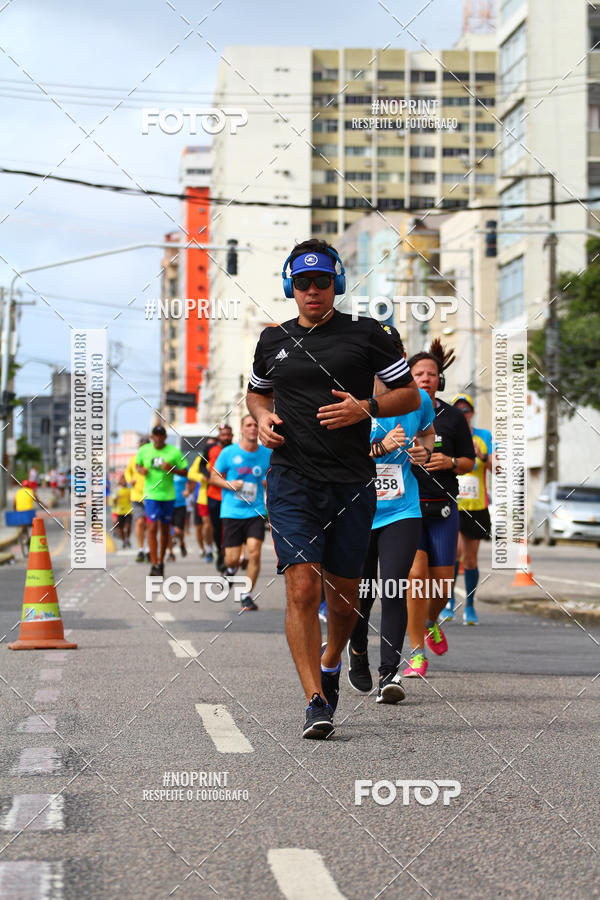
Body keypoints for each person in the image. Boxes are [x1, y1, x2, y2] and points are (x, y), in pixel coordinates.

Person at [247, 237, 419, 739]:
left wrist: (366, 408)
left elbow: (408, 393)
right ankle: (316, 701)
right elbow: (257, 394)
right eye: (303, 282)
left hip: (350, 481)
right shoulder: (271, 341)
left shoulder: (368, 336)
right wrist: (262, 419)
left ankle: (331, 659)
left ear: (337, 283)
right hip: (291, 478)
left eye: (322, 281)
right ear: (290, 286)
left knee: (343, 600)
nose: (313, 290)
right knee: (301, 585)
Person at [348, 326, 435, 702]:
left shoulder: (417, 399)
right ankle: (357, 653)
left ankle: (388, 674)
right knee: (360, 594)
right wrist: (379, 447)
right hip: (358, 509)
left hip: (403, 509)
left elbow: (428, 433)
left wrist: (425, 453)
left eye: (394, 350)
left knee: (394, 587)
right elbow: (339, 455)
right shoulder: (350, 396)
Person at [403, 341, 475, 678]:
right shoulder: (396, 414)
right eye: (419, 373)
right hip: (408, 510)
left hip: (444, 510)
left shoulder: (454, 417)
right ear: (408, 377)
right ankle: (416, 654)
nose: (426, 378)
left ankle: (431, 622)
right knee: (417, 579)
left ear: (439, 380)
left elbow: (469, 462)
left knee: (442, 586)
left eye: (432, 374)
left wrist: (450, 461)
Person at [210, 415, 271, 611]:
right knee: (233, 559)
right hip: (232, 511)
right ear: (242, 429)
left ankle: (246, 594)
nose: (253, 428)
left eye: (256, 425)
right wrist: (229, 484)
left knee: (254, 552)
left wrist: (267, 484)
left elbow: (274, 477)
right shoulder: (229, 453)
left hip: (255, 510)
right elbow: (213, 477)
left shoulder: (267, 454)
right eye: (249, 425)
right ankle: (229, 570)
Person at [443, 394, 493, 625]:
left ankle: (470, 606)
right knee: (454, 555)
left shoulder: (484, 436)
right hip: (455, 503)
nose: (463, 414)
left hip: (477, 506)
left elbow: (497, 468)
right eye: (458, 410)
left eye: (467, 410)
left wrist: (481, 455)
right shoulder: (449, 433)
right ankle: (449, 602)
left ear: (472, 413)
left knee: (471, 560)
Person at [136, 425, 188, 577]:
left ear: (165, 437)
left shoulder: (173, 452)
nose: (158, 438)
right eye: (155, 435)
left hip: (168, 496)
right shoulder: (144, 450)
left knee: (165, 530)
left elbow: (185, 471)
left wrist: (172, 468)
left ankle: (161, 560)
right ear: (152, 437)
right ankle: (154, 563)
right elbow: (138, 464)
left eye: (161, 435)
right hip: (151, 495)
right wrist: (141, 470)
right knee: (152, 528)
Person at [207, 424, 233, 572]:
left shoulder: (235, 450)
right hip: (214, 494)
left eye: (228, 435)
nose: (226, 437)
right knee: (217, 528)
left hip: (230, 495)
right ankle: (219, 551)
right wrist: (206, 478)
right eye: (223, 435)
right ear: (219, 436)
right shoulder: (211, 450)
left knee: (228, 527)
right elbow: (200, 468)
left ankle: (226, 555)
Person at [125, 436, 149, 563]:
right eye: (141, 447)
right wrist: (130, 480)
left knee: (151, 525)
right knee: (140, 522)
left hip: (151, 496)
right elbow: (127, 472)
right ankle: (141, 549)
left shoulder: (151, 460)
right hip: (136, 496)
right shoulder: (134, 459)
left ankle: (150, 549)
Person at [187, 453, 214, 562]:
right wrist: (201, 477)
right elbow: (190, 474)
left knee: (217, 526)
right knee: (204, 526)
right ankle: (207, 549)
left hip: (222, 497)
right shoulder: (202, 459)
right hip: (203, 498)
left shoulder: (224, 455)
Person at [111, 474, 132, 548]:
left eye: (125, 479)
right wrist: (117, 498)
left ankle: (127, 538)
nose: (124, 481)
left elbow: (132, 498)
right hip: (119, 511)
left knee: (128, 526)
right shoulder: (117, 489)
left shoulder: (129, 488)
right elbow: (114, 501)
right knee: (120, 528)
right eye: (122, 479)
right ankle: (124, 540)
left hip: (128, 510)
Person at [171, 472, 188, 559]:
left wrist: (188, 490)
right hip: (167, 503)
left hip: (180, 505)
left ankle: (181, 542)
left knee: (178, 531)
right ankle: (171, 553)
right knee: (167, 529)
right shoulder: (165, 469)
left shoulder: (183, 469)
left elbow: (191, 481)